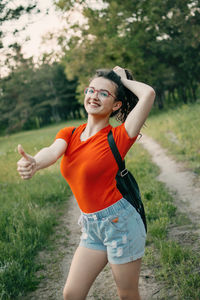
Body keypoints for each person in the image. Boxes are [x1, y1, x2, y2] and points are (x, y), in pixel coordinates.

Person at [17, 66, 155, 300]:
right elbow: (51, 152)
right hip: (91, 227)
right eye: (90, 90)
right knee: (72, 293)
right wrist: (34, 163)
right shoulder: (69, 133)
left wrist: (121, 80)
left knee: (127, 293)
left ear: (117, 105)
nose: (94, 96)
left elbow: (148, 94)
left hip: (120, 224)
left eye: (103, 93)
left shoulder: (120, 136)